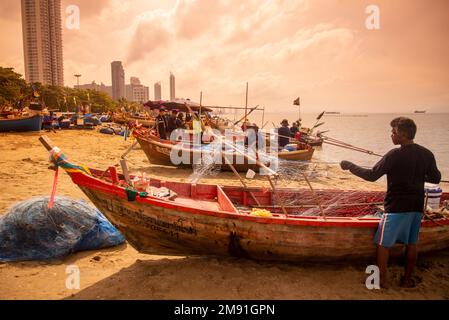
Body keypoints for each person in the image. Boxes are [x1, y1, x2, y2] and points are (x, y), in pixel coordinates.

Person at [340, 117, 441, 288]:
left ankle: (382, 281)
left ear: (402, 135)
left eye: (393, 132)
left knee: (383, 244)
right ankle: (407, 280)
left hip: (395, 207)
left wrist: (349, 165)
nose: (391, 135)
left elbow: (371, 175)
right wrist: (418, 173)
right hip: (416, 207)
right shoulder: (427, 154)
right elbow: (435, 178)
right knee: (411, 243)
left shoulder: (394, 154)